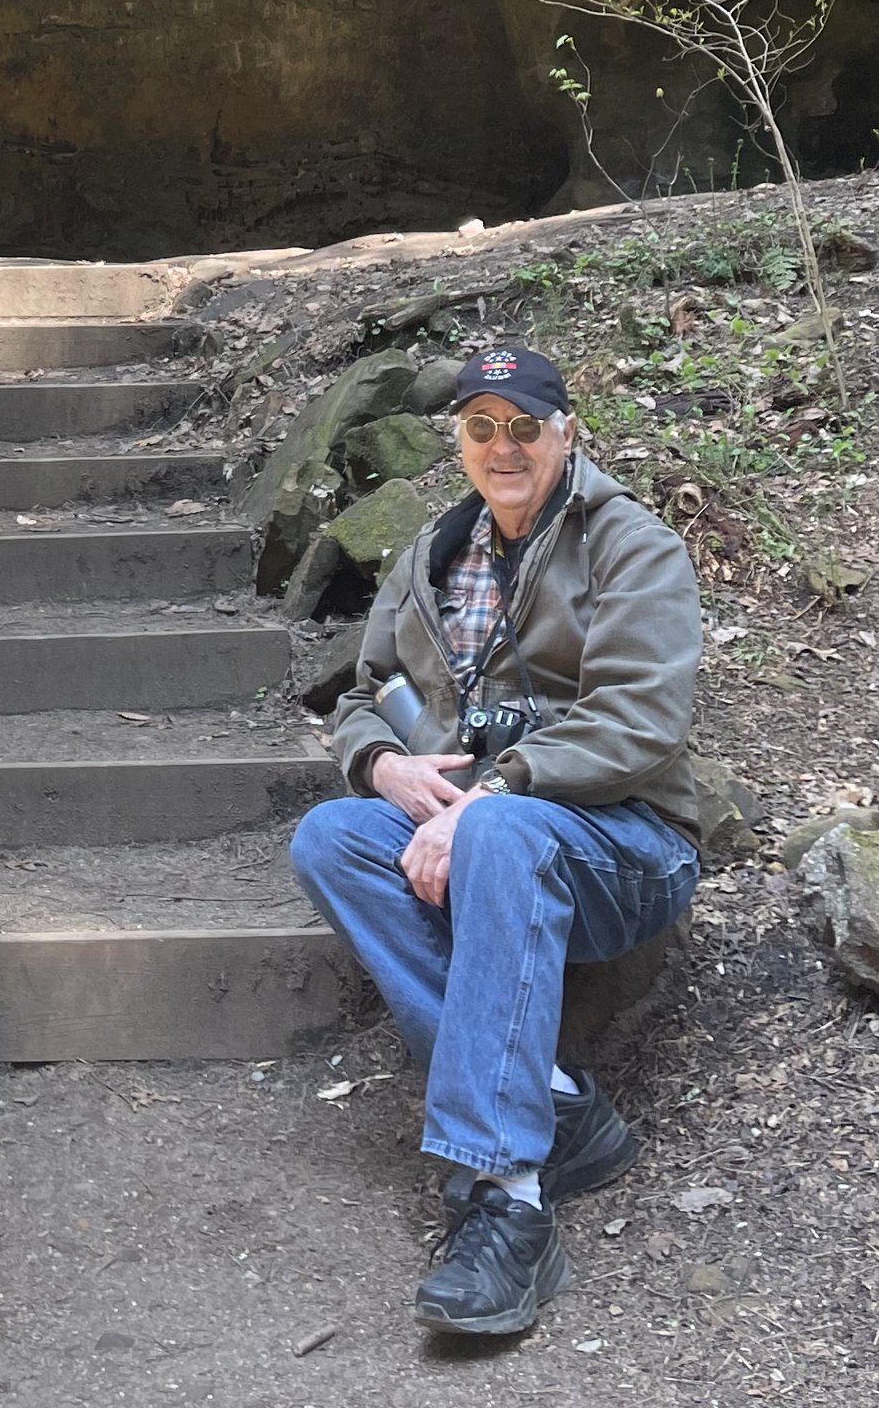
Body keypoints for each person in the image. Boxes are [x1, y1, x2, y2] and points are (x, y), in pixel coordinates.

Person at [289, 344, 702, 1339]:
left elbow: (641, 720)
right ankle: (558, 1101)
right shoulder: (437, 548)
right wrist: (385, 766)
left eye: (524, 426)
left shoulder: (630, 547)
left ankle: (507, 1192)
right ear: (460, 441)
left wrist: (497, 791)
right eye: (481, 428)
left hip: (625, 845)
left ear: (566, 433)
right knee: (332, 837)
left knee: (505, 834)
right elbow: (367, 691)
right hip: (475, 823)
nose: (502, 446)